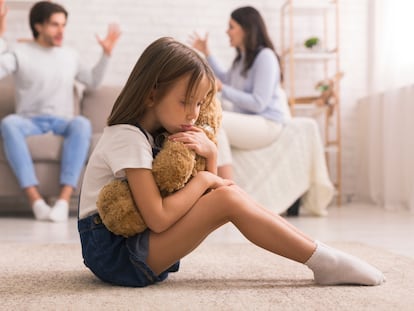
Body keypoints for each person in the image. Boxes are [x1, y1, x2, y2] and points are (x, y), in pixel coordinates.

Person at [77, 36, 385, 288]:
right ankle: (324, 261)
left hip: (135, 245)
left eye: (199, 103)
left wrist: (211, 155)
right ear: (150, 95)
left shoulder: (159, 137)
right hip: (115, 255)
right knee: (226, 196)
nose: (193, 114)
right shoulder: (127, 137)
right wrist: (206, 179)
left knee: (229, 195)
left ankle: (323, 256)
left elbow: (212, 198)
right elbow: (158, 218)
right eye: (185, 101)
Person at [0, 1, 121, 222]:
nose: (61, 31)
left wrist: (106, 54)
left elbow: (93, 82)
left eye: (63, 25)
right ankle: (35, 200)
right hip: (29, 120)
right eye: (55, 25)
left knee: (82, 124)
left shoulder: (69, 56)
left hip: (61, 121)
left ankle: (63, 201)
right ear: (38, 26)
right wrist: (0, 34)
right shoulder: (20, 52)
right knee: (8, 123)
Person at [190, 6, 286, 179]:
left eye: (231, 26)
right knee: (213, 121)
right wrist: (207, 53)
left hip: (267, 123)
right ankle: (222, 186)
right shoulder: (242, 59)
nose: (227, 32)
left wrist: (223, 89)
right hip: (252, 120)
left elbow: (258, 103)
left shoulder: (265, 56)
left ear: (247, 29)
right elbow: (226, 79)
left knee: (216, 122)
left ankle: (228, 188)